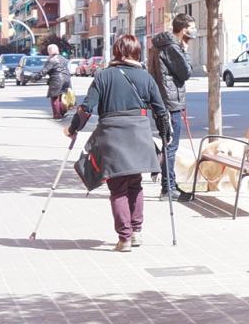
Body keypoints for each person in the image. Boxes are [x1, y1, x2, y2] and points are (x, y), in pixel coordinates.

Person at [67, 33, 171, 252]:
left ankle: (124, 238)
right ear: (136, 52)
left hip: (112, 137)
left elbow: (87, 107)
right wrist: (165, 135)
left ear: (117, 52)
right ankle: (136, 232)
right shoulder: (146, 77)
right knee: (135, 184)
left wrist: (73, 128)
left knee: (118, 188)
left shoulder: (103, 76)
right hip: (139, 136)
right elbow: (161, 111)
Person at [146, 15, 195, 201]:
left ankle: (171, 185)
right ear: (183, 30)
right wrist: (185, 50)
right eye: (191, 28)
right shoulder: (172, 47)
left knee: (168, 144)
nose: (193, 31)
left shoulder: (158, 45)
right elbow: (186, 72)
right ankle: (168, 188)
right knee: (170, 146)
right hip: (170, 103)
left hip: (162, 101)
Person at [44, 42, 73, 119]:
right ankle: (62, 112)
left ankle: (57, 114)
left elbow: (44, 70)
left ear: (49, 51)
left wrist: (35, 77)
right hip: (67, 79)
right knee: (63, 97)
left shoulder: (51, 60)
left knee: (54, 98)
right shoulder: (64, 59)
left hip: (57, 79)